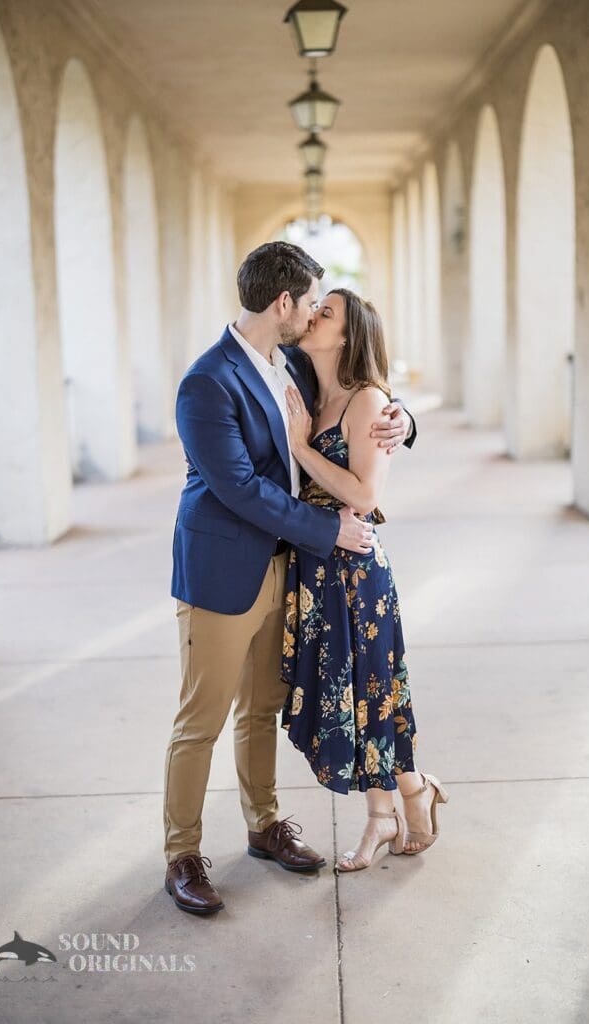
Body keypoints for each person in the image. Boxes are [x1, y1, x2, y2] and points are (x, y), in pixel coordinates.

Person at [163, 242, 417, 916]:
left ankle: (262, 825)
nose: (312, 315)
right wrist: (329, 530)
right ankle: (182, 854)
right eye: (308, 302)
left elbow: (354, 395)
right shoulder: (206, 382)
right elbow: (239, 487)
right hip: (222, 570)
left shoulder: (293, 367)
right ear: (284, 303)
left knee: (259, 711)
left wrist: (401, 417)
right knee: (201, 720)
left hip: (285, 571)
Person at [281, 288, 449, 870]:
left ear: (348, 336)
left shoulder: (367, 400)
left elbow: (364, 493)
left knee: (372, 695)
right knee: (358, 697)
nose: (311, 316)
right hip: (312, 567)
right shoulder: (302, 379)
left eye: (325, 313)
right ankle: (407, 795)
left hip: (355, 574)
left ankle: (389, 812)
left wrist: (302, 447)